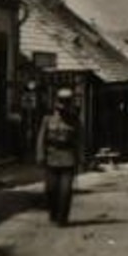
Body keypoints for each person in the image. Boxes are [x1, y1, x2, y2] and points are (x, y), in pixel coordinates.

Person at [36, 88, 83, 225]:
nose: (64, 105)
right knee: (51, 189)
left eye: (67, 102)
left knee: (65, 191)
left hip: (68, 158)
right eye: (62, 102)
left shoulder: (74, 121)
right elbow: (41, 138)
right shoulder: (47, 119)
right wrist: (40, 155)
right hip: (51, 158)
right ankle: (53, 213)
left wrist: (80, 158)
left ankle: (62, 218)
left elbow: (80, 140)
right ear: (57, 102)